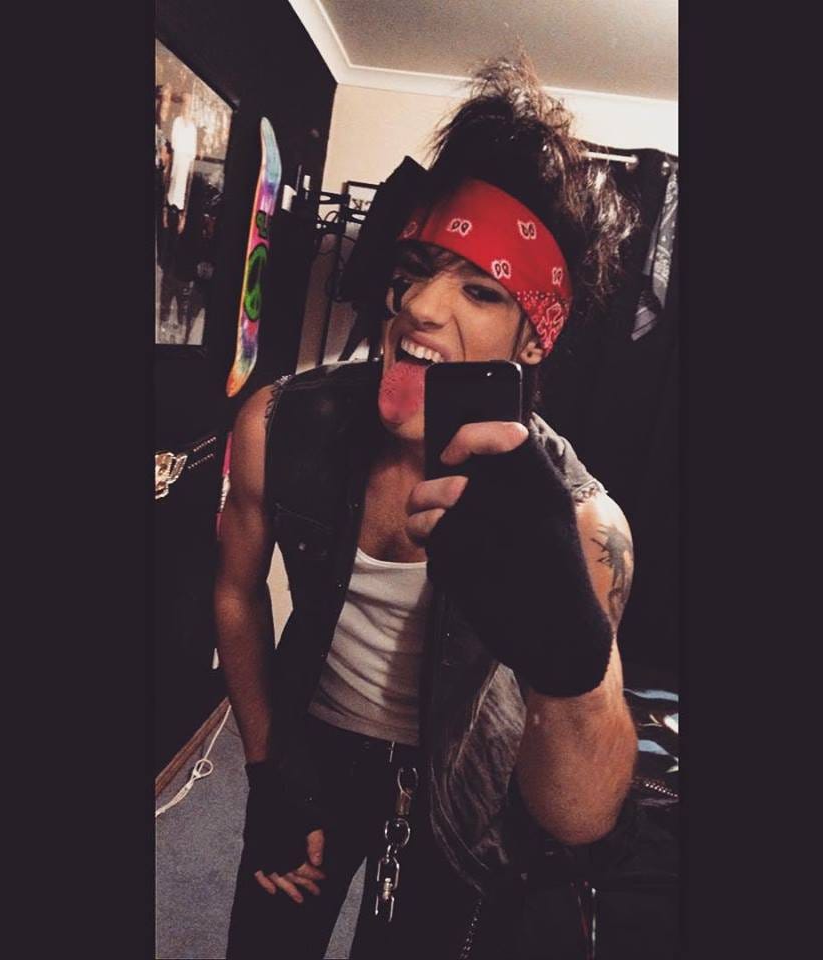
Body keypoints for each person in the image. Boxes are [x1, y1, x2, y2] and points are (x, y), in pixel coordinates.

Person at [215, 56, 675, 959]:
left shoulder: (587, 526)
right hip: (306, 749)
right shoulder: (281, 424)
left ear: (534, 336)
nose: (420, 306)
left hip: (464, 792)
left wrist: (570, 667)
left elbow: (582, 818)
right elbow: (235, 591)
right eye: (419, 269)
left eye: (480, 289)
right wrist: (267, 767)